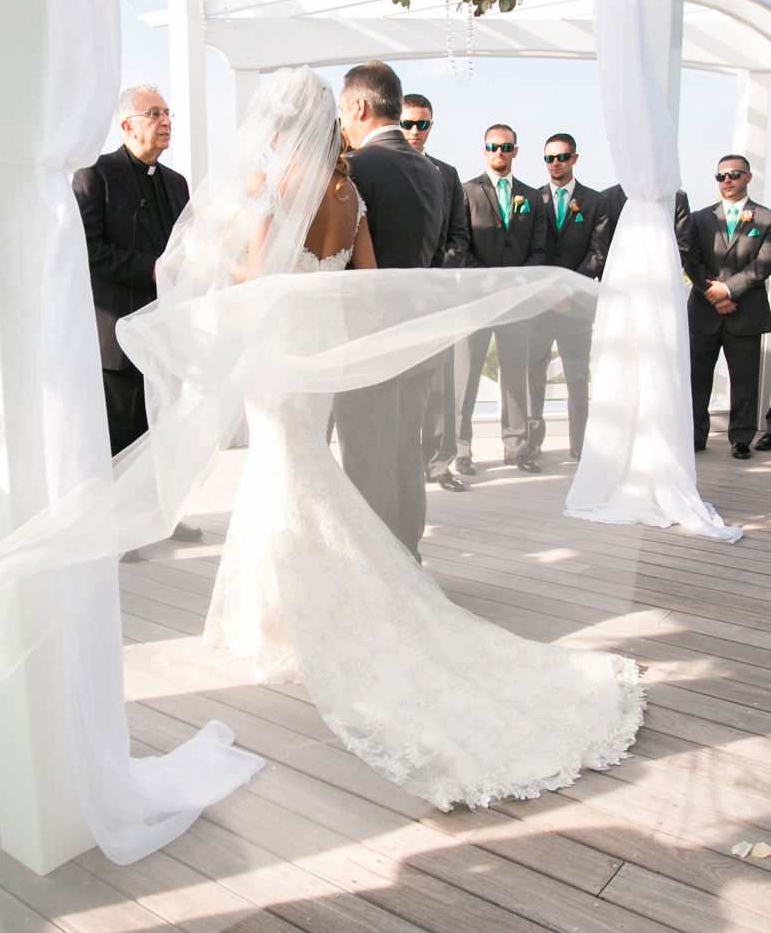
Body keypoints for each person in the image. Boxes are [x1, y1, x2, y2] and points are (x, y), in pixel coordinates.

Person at [203, 67, 640, 811]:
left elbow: (253, 280)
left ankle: (290, 616)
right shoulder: (349, 193)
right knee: (304, 474)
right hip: (330, 353)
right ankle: (327, 595)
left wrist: (225, 261)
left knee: (286, 477)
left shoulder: (277, 194)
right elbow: (367, 283)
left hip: (286, 359)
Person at [73, 83, 202, 551]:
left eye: (168, 113)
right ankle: (121, 530)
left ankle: (164, 516)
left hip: (167, 326)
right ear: (126, 124)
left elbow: (188, 245)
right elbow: (89, 253)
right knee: (124, 434)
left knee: (166, 429)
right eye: (154, 113)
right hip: (119, 328)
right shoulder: (95, 176)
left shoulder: (176, 183)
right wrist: (153, 268)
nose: (166, 121)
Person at [333, 62, 451, 557]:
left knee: (367, 460)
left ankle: (380, 568)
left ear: (358, 105)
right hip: (418, 339)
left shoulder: (356, 170)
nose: (341, 123)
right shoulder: (435, 173)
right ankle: (408, 555)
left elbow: (338, 265)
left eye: (342, 111)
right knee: (406, 455)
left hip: (366, 342)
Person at [457, 124, 546, 474]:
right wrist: (493, 281)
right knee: (465, 379)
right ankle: (461, 451)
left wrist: (515, 283)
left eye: (506, 147)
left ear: (515, 151)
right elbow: (458, 248)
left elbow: (539, 251)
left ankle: (518, 448)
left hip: (517, 302)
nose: (499, 153)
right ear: (484, 150)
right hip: (476, 299)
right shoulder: (465, 192)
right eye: (493, 147)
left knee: (515, 377)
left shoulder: (532, 197)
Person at [399, 91, 470, 493]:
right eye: (408, 122)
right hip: (395, 295)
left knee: (441, 382)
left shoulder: (448, 174)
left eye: (422, 124)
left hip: (437, 293)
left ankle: (439, 464)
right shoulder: (382, 166)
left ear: (431, 126)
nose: (414, 131)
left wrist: (437, 278)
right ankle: (404, 461)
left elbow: (458, 234)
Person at [527, 133, 609, 460]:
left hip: (576, 304)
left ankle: (579, 445)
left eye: (562, 157)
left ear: (575, 158)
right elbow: (530, 249)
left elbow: (598, 253)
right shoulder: (533, 199)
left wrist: (566, 287)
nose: (555, 163)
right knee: (534, 374)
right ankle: (531, 444)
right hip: (541, 303)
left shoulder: (595, 202)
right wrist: (548, 289)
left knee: (577, 376)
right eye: (550, 158)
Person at [684, 154, 771, 459]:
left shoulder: (766, 218)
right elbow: (691, 260)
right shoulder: (698, 218)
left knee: (745, 380)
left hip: (745, 312)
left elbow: (763, 264)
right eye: (721, 176)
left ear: (748, 177)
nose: (727, 180)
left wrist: (729, 291)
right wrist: (713, 293)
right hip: (704, 312)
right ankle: (695, 435)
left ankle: (742, 439)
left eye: (734, 174)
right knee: (696, 377)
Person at [602, 181, 691, 260]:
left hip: (662, 272)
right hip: (616, 272)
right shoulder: (606, 198)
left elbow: (682, 246)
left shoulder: (677, 198)